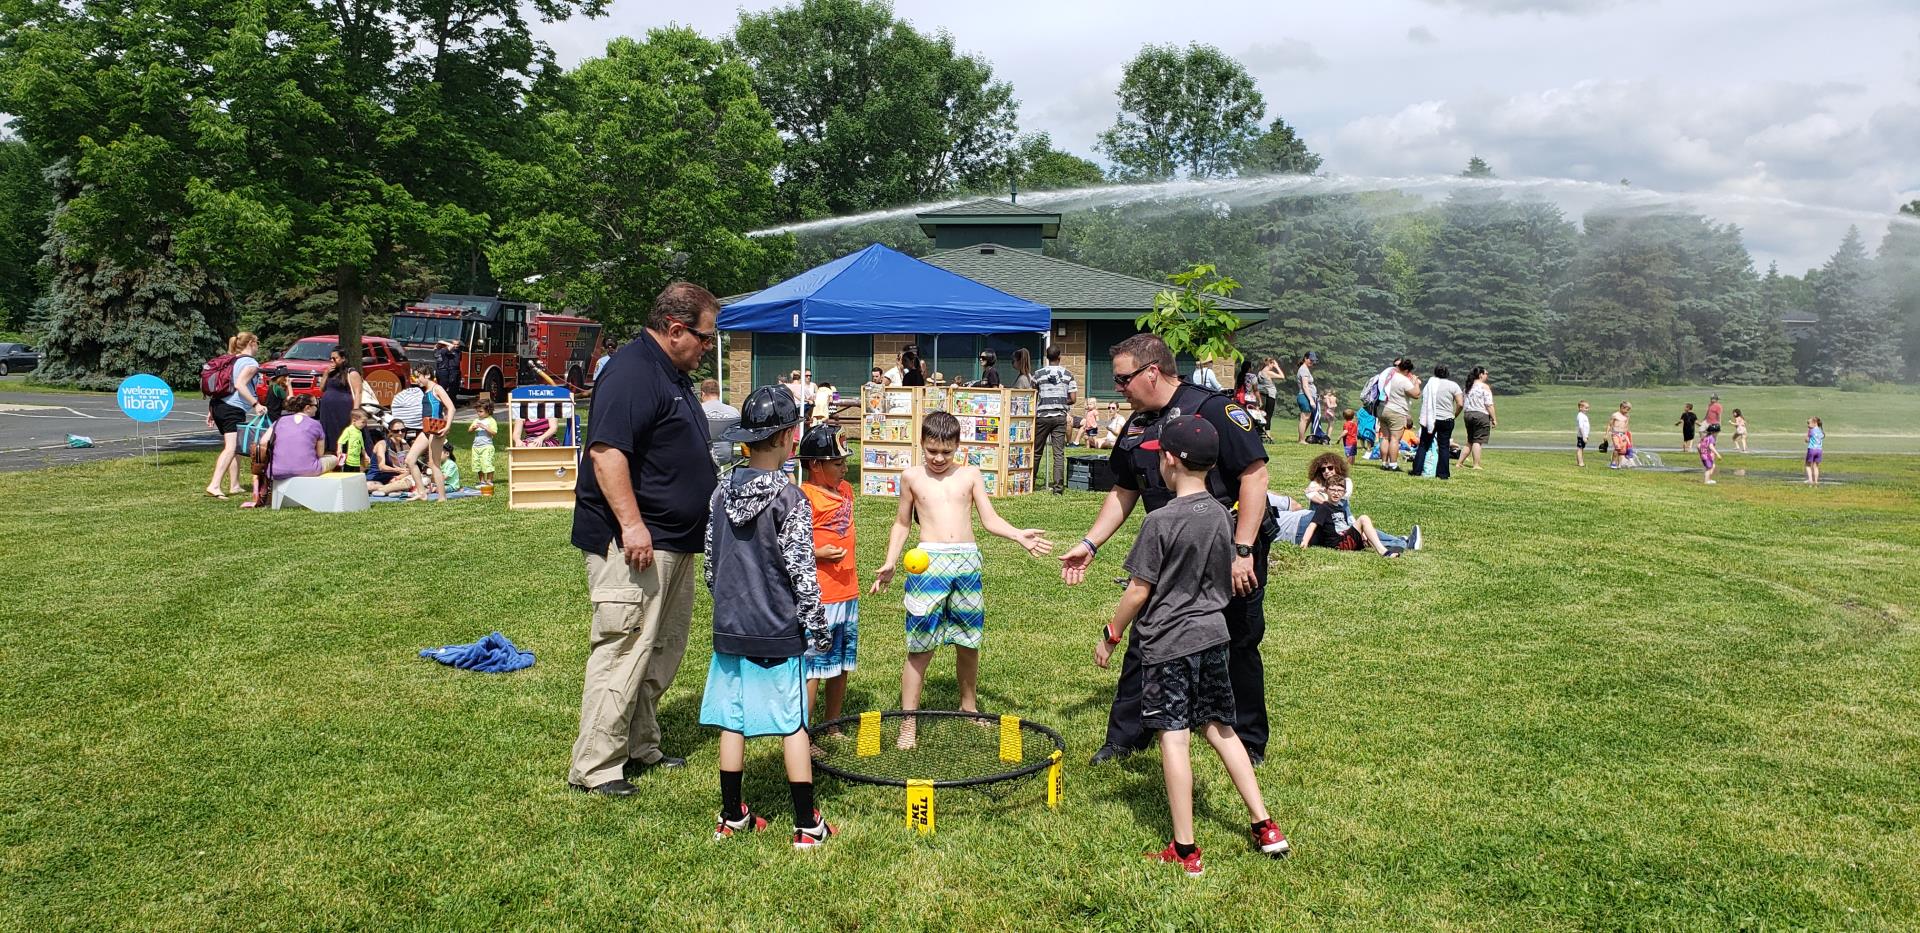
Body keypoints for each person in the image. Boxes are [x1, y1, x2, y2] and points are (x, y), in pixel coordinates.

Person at [1060, 333, 1275, 767]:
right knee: (1150, 634)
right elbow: (1124, 491)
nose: (1118, 388)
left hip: (1229, 542)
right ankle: (1126, 736)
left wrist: (1244, 549)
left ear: (1152, 371)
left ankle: (1248, 740)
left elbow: (1255, 477)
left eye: (1123, 379)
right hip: (1172, 546)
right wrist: (1090, 543)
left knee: (1238, 637)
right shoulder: (1135, 426)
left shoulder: (1213, 410)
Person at [1092, 415, 1291, 874]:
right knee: (1222, 728)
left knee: (1174, 738)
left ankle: (1185, 849)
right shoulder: (1224, 514)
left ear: (1168, 461)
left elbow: (1139, 590)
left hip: (1168, 644)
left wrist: (1112, 633)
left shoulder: (1160, 521)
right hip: (1213, 637)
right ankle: (1265, 826)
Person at [567, 283, 722, 797]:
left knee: (661, 648)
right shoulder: (632, 371)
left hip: (675, 540)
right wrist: (633, 526)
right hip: (636, 542)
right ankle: (596, 766)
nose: (708, 348)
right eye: (704, 338)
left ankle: (639, 743)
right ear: (676, 330)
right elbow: (608, 453)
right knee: (624, 646)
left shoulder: (671, 373)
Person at [700, 385, 837, 847]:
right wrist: (817, 627)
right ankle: (806, 825)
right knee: (793, 723)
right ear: (789, 438)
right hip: (777, 629)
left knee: (732, 721)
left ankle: (732, 814)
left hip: (730, 627)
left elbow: (711, 564)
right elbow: (802, 570)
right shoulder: (791, 498)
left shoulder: (720, 492)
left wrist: (727, 605)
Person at [870, 411, 1053, 749]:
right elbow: (902, 524)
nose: (938, 458)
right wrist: (890, 561)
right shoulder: (911, 477)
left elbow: (989, 519)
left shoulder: (970, 475)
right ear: (921, 444)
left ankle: (968, 707)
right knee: (919, 646)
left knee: (969, 642)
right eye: (931, 451)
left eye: (946, 452)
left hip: (967, 563)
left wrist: (1017, 535)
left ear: (958, 447)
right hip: (928, 566)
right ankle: (907, 722)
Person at [797, 424, 859, 736]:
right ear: (814, 465)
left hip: (848, 592)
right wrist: (817, 552)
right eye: (837, 464)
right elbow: (788, 545)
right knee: (815, 668)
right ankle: (803, 735)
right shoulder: (803, 497)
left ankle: (832, 724)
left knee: (843, 663)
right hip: (821, 597)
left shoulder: (845, 490)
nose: (844, 469)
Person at [1300, 453, 1406, 557]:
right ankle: (1399, 543)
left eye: (1330, 468)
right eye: (1323, 469)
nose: (1327, 471)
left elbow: (1345, 495)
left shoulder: (1345, 482)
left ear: (1337, 467)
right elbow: (1312, 495)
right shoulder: (1316, 486)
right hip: (1328, 530)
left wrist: (1322, 490)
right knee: (1368, 531)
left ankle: (1400, 541)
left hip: (1346, 524)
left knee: (1370, 533)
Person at [204, 332, 263, 500]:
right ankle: (214, 485)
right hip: (232, 409)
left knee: (234, 445)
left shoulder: (232, 360)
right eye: (257, 342)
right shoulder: (251, 363)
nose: (258, 346)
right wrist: (256, 404)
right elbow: (239, 385)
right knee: (230, 448)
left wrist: (211, 411)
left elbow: (223, 387)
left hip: (219, 406)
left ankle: (235, 485)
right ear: (251, 343)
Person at [403, 366, 456, 503]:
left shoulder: (437, 389)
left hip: (436, 430)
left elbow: (451, 407)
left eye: (418, 376)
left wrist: (447, 426)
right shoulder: (425, 391)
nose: (416, 380)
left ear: (427, 375)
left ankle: (442, 497)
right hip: (426, 430)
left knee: (434, 464)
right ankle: (422, 493)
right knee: (410, 459)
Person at [1031, 346, 1078, 494]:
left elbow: (1033, 395)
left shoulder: (1037, 374)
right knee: (1058, 453)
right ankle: (1058, 488)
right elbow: (1073, 399)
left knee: (1036, 451)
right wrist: (1061, 402)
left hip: (1042, 417)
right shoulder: (1068, 374)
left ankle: (1031, 483)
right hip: (1060, 417)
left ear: (1047, 357)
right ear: (1060, 357)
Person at [263, 394, 337, 485]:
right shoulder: (316, 424)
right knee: (333, 459)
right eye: (316, 405)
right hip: (308, 470)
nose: (317, 408)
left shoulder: (280, 421)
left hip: (277, 470)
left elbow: (263, 442)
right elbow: (320, 454)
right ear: (308, 408)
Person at [1410, 365, 1462, 480]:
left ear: (1435, 373)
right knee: (1444, 446)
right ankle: (1443, 474)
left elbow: (1424, 400)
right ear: (1447, 373)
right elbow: (1460, 403)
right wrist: (1454, 415)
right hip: (1446, 419)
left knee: (1423, 445)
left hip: (1430, 419)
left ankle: (1416, 470)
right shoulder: (1453, 385)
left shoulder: (1430, 385)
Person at [1380, 359, 1420, 471]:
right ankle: (1393, 465)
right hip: (1396, 411)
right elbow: (1416, 394)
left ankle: (1384, 463)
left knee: (1385, 437)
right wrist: (1416, 383)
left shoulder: (1389, 375)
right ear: (1407, 370)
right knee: (1395, 439)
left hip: (1382, 409)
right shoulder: (1403, 379)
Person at [319, 347, 364, 449]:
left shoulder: (351, 372)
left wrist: (356, 411)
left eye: (335, 358)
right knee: (329, 431)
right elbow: (322, 388)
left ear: (343, 358)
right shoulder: (331, 372)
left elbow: (358, 392)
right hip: (328, 410)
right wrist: (326, 374)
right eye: (331, 358)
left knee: (342, 430)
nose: (332, 361)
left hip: (343, 408)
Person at [1457, 367, 1495, 470]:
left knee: (1470, 440)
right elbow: (1489, 404)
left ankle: (1459, 463)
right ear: (1481, 375)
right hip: (1480, 415)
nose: (1487, 375)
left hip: (1468, 415)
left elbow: (1462, 402)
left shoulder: (1467, 387)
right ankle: (1476, 464)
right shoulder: (1484, 387)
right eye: (1486, 373)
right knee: (1477, 441)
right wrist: (1494, 418)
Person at [468, 399, 498, 489]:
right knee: (477, 464)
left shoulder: (491, 420)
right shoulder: (476, 420)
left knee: (487, 463)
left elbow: (494, 433)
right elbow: (469, 431)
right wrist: (473, 428)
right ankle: (481, 480)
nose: (478, 413)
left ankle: (489, 480)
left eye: (481, 411)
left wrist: (485, 427)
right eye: (477, 411)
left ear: (488, 411)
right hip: (476, 446)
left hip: (487, 446)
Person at [336, 408, 370, 474]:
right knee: (347, 475)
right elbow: (341, 441)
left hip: (356, 461)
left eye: (366, 422)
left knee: (355, 476)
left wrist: (365, 455)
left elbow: (362, 446)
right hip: (348, 460)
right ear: (354, 421)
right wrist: (339, 449)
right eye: (363, 422)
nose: (364, 424)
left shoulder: (359, 432)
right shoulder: (349, 430)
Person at [1294, 352, 1318, 444]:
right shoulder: (1303, 369)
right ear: (1305, 358)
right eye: (1311, 360)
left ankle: (1302, 438)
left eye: (1313, 361)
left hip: (1308, 397)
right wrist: (1311, 400)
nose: (1312, 362)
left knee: (1308, 418)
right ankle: (1301, 440)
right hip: (1304, 396)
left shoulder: (1306, 369)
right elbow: (1305, 386)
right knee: (1304, 418)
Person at [1608, 402, 1632, 470]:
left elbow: (1626, 426)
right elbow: (1610, 424)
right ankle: (1613, 463)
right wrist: (1606, 434)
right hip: (1615, 434)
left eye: (1628, 410)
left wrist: (1626, 435)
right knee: (1617, 448)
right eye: (1627, 409)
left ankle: (1619, 465)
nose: (1627, 411)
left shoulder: (1627, 416)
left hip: (1623, 435)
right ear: (1622, 408)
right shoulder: (1615, 415)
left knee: (1622, 451)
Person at [1805, 417, 1823, 485]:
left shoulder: (1811, 430)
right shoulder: (1820, 431)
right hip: (1819, 450)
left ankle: (1810, 480)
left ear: (1815, 423)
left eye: (1809, 423)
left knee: (1808, 465)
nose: (1808, 425)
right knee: (1816, 466)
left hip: (1812, 449)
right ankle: (1816, 481)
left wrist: (1808, 432)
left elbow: (1807, 440)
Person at [1575, 400, 1591, 468]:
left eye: (1588, 408)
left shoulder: (1584, 415)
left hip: (1584, 435)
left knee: (1581, 448)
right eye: (1586, 408)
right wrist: (1584, 436)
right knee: (1580, 448)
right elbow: (1581, 426)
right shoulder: (1580, 415)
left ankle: (1580, 461)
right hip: (1581, 435)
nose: (1587, 409)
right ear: (1580, 408)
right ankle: (1580, 463)